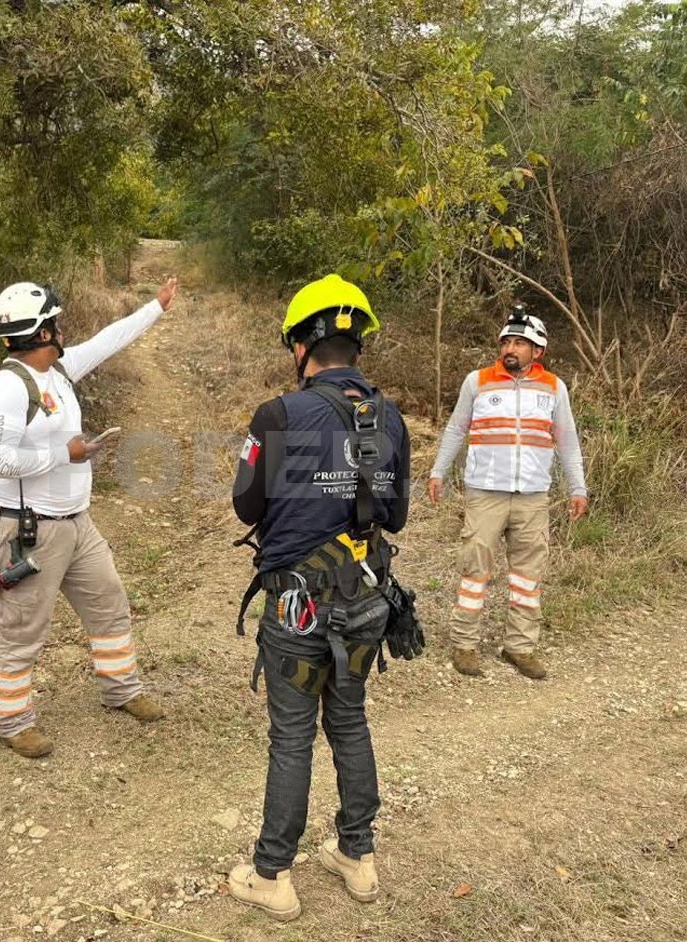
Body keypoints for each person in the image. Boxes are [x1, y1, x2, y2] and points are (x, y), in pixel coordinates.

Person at [227, 275, 411, 919]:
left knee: (293, 736)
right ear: (357, 344)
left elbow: (245, 504)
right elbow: (395, 516)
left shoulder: (277, 415)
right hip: (364, 599)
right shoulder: (390, 416)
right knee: (350, 720)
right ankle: (358, 856)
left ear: (302, 346)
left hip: (297, 607)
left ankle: (272, 874)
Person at [0, 277, 178, 758]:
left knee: (108, 602)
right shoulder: (8, 388)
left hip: (77, 522)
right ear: (42, 333)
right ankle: (13, 721)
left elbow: (110, 340)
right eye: (55, 321)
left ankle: (121, 689)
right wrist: (63, 454)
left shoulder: (60, 371)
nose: (62, 327)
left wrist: (155, 307)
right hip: (31, 529)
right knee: (21, 628)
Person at [427, 303, 588, 680]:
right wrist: (438, 472)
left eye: (519, 343)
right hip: (485, 493)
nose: (509, 349)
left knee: (528, 575)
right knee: (474, 569)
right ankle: (464, 644)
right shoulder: (478, 381)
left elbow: (567, 440)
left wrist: (578, 487)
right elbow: (456, 429)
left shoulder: (554, 388)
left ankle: (520, 647)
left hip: (533, 496)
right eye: (505, 342)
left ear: (538, 351)